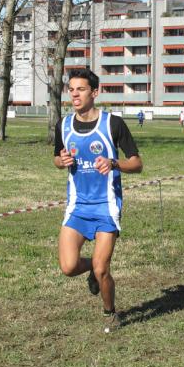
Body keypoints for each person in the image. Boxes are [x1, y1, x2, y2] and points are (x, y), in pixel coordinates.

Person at [53, 68, 143, 332]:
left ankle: (110, 313)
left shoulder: (113, 124)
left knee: (102, 268)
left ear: (95, 92)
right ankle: (90, 270)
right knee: (68, 267)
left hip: (106, 207)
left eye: (80, 89)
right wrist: (62, 161)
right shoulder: (64, 125)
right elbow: (56, 158)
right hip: (77, 207)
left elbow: (137, 164)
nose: (74, 94)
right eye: (71, 89)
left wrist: (115, 163)